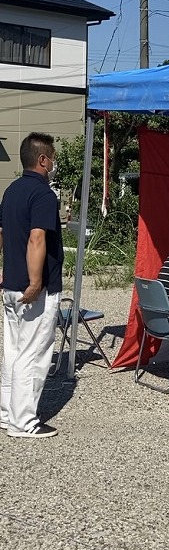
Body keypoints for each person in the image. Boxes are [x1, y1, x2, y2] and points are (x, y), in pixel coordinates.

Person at [0, 132, 64, 438]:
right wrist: (37, 280)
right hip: (34, 288)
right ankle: (23, 421)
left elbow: (2, 233)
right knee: (33, 354)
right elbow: (37, 237)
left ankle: (6, 412)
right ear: (42, 160)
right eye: (52, 156)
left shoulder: (11, 190)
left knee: (12, 352)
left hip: (11, 285)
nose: (54, 162)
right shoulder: (43, 195)